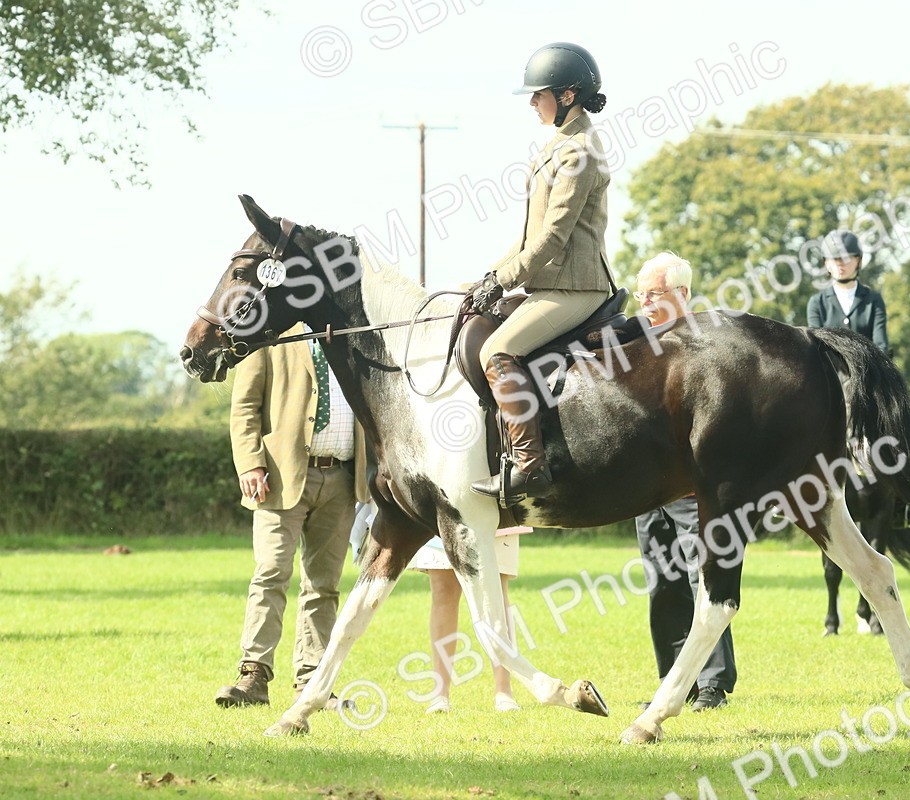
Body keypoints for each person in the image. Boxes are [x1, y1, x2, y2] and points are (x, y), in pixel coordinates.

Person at [469, 42, 615, 502]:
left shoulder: (579, 153)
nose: (533, 102)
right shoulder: (558, 146)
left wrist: (505, 279)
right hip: (550, 280)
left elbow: (552, 240)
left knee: (497, 349)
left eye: (539, 94)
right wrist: (489, 276)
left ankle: (530, 466)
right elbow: (529, 237)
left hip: (576, 286)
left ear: (567, 95)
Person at [215, 325, 370, 708]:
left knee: (324, 586)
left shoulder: (353, 332)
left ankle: (313, 684)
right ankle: (253, 676)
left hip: (343, 478)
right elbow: (245, 406)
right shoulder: (270, 335)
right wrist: (250, 464)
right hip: (278, 478)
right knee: (270, 572)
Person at [633, 252, 737, 711]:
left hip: (691, 484)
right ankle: (673, 678)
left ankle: (712, 683)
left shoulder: (703, 343)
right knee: (662, 579)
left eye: (652, 294)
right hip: (643, 483)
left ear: (682, 295)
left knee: (703, 577)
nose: (644, 303)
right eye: (641, 295)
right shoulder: (635, 340)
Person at [350, 503, 528, 713]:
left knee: (496, 591)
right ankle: (440, 694)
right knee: (443, 592)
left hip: (493, 500)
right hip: (438, 501)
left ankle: (504, 691)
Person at [806, 230, 889, 353]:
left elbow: (881, 346)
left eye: (846, 258)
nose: (840, 264)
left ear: (858, 261)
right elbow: (816, 349)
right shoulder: (817, 303)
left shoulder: (874, 300)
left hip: (869, 370)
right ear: (826, 264)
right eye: (834, 259)